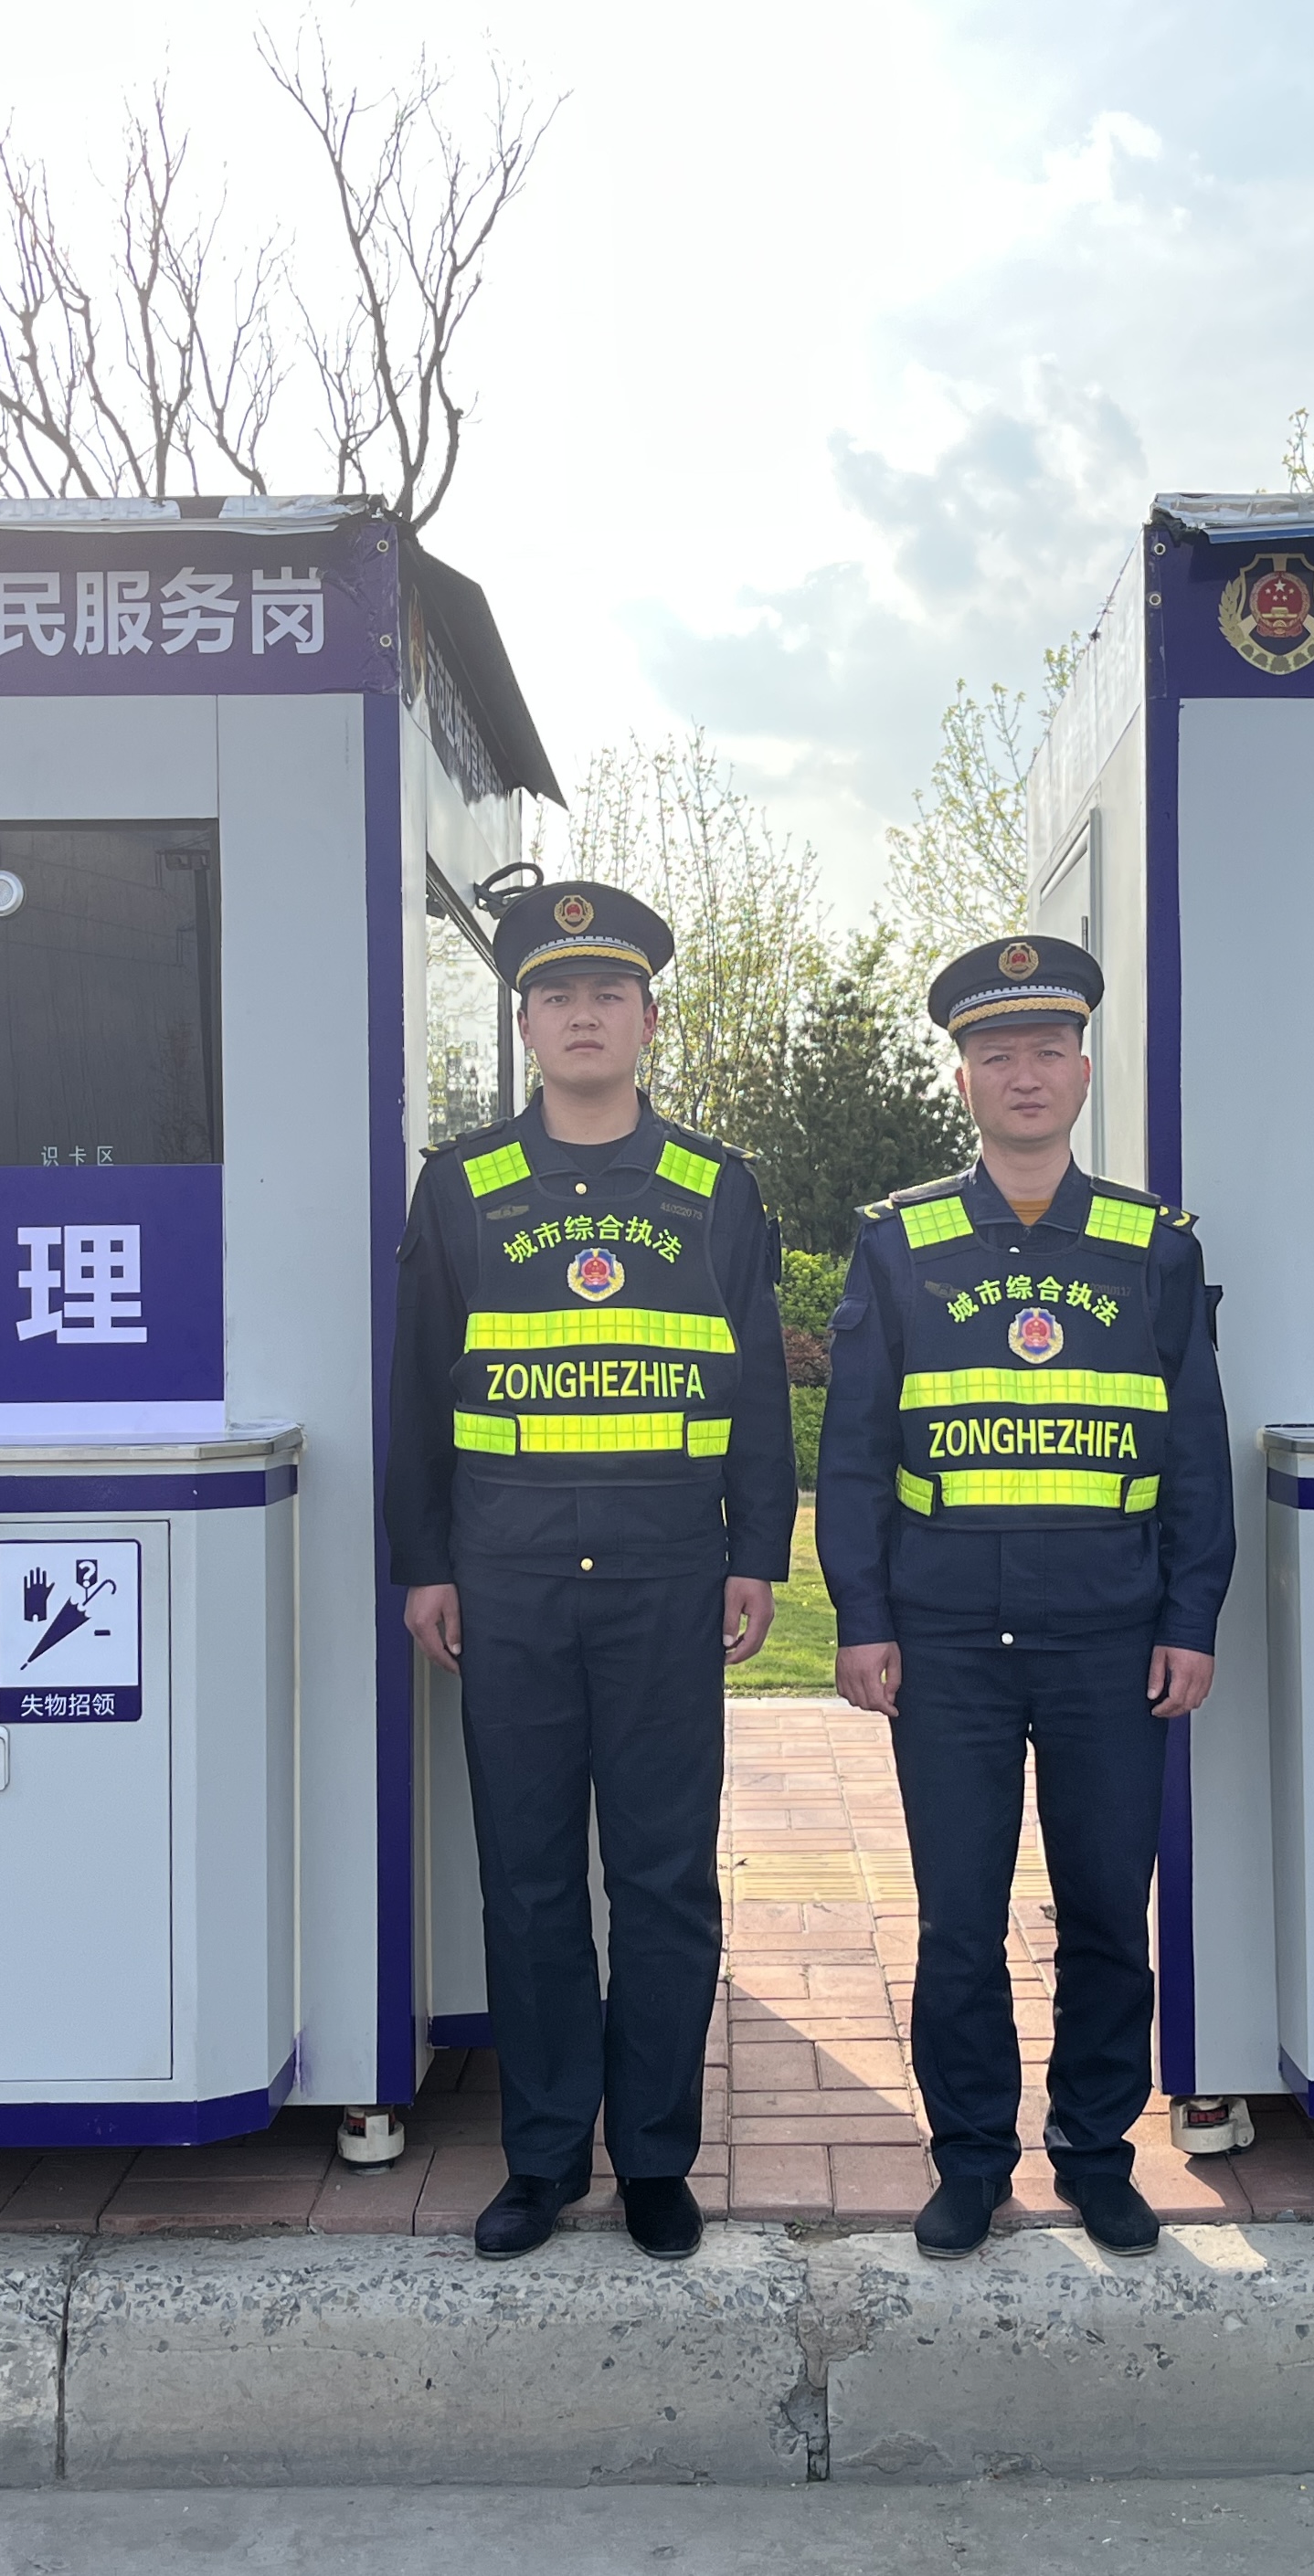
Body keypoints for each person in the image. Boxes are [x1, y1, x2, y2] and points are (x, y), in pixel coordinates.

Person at [385, 880, 794, 2263]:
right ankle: (545, 2156)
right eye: (555, 996)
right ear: (524, 1026)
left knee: (666, 1878)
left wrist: (758, 1550)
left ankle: (657, 2159)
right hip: (505, 1582)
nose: (581, 1016)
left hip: (668, 1577)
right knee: (528, 1878)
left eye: (606, 994)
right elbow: (417, 1387)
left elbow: (753, 1387)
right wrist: (424, 1562)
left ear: (647, 1021)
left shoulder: (715, 1188)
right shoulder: (462, 1186)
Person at [815, 934, 1234, 2260]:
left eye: (1048, 1050)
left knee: (1108, 1912)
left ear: (1084, 1072)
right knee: (958, 1921)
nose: (1025, 1074)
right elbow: (853, 1449)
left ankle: (1097, 2155)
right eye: (997, 1055)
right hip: (948, 1643)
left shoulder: (1151, 1246)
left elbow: (1193, 1448)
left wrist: (1190, 1617)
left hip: (1111, 1637)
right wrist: (863, 1615)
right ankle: (970, 2161)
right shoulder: (902, 1242)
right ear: (964, 1080)